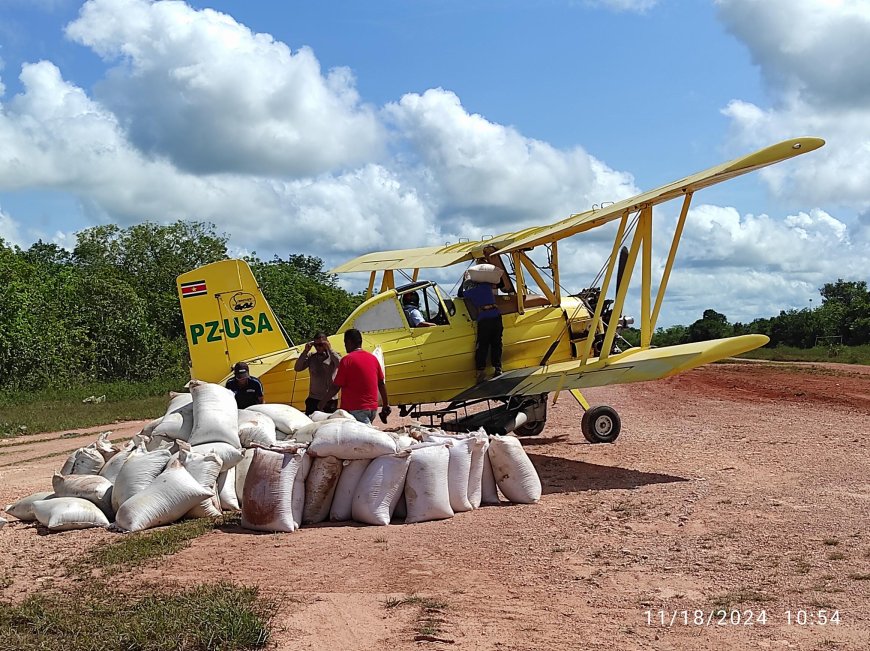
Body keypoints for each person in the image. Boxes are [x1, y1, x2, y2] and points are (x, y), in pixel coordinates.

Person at [319, 328, 391, 425]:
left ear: (349, 342)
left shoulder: (347, 360)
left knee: (363, 437)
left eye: (345, 343)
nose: (345, 346)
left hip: (355, 409)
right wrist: (385, 405)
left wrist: (322, 403)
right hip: (372, 409)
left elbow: (336, 387)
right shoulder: (373, 358)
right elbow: (381, 383)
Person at [463, 277, 504, 383]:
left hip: (484, 319)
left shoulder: (470, 292)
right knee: (497, 343)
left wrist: (464, 280)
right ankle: (498, 368)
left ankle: (481, 371)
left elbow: (460, 293)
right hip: (496, 317)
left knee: (482, 345)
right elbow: (500, 284)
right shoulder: (485, 285)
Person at [294, 331, 341, 415]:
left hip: (330, 399)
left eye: (321, 345)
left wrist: (329, 350)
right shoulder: (311, 357)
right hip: (314, 398)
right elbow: (297, 368)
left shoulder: (333, 356)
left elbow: (340, 364)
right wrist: (305, 351)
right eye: (316, 345)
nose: (318, 347)